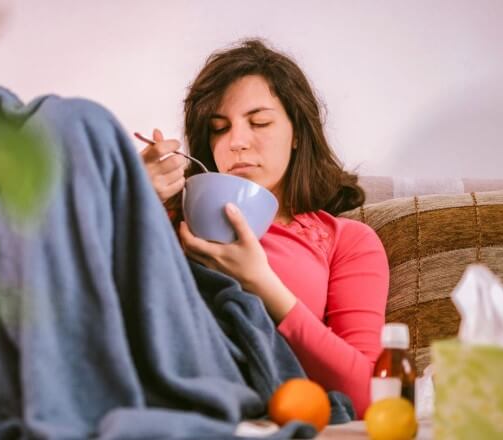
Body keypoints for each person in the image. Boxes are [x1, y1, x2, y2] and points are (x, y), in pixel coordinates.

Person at [139, 39, 389, 418]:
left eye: (259, 122)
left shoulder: (346, 241)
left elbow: (369, 395)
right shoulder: (171, 216)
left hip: (260, 402)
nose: (235, 142)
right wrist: (135, 197)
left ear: (298, 134)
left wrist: (262, 284)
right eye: (218, 129)